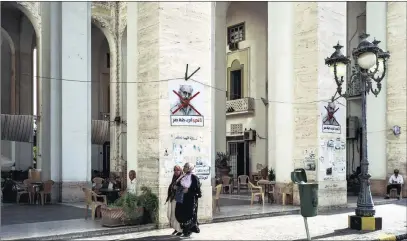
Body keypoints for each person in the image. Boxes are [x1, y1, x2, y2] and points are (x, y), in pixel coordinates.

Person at [175, 163, 202, 238]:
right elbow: (178, 185)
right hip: (181, 198)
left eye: (186, 167)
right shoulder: (183, 176)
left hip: (190, 200)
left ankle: (188, 230)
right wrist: (177, 188)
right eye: (184, 166)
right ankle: (185, 230)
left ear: (190, 168)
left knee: (189, 215)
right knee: (180, 213)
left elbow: (198, 191)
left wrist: (189, 190)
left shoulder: (194, 177)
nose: (184, 168)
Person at [165, 165, 183, 236]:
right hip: (173, 199)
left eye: (177, 170)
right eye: (175, 170)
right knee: (171, 214)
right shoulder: (174, 178)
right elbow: (171, 187)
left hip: (178, 199)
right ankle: (176, 228)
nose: (176, 171)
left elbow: (184, 189)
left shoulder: (182, 178)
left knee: (177, 215)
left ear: (180, 171)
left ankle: (180, 230)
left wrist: (177, 188)